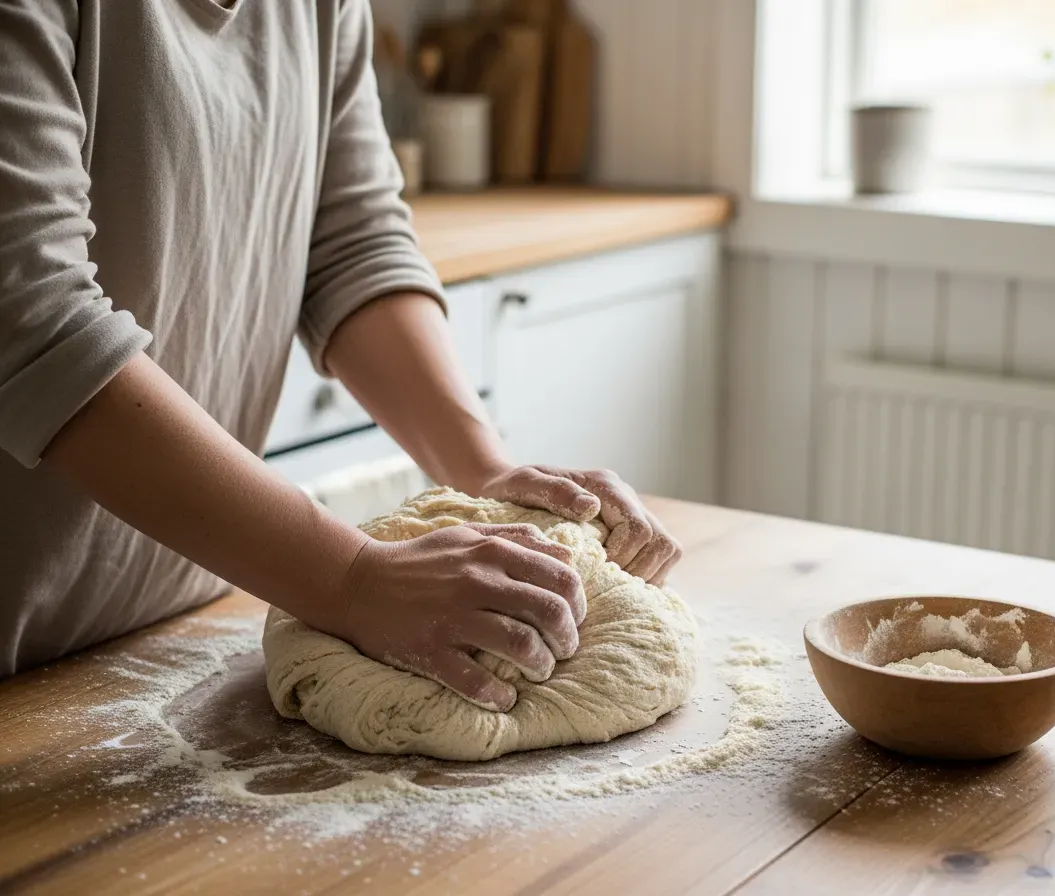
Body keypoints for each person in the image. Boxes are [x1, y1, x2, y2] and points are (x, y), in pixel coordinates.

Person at [0, 0, 682, 712]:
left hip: (169, 626)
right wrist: (348, 577)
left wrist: (484, 470)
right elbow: (33, 320)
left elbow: (352, 245)